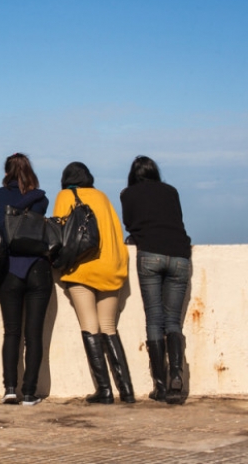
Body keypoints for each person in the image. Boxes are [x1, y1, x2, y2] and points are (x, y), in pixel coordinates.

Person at [53, 162, 134, 404]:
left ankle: (105, 390)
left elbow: (59, 233)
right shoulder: (103, 196)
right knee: (109, 326)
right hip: (112, 267)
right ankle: (127, 391)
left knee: (90, 326)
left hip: (82, 269)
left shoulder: (66, 195)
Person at [121, 156, 191, 405]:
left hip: (150, 253)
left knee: (154, 319)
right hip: (181, 254)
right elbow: (177, 220)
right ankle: (176, 378)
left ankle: (160, 386)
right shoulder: (171, 191)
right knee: (173, 320)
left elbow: (130, 224)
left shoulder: (128, 194)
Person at [0, 153, 52, 406]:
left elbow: (4, 227)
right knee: (34, 334)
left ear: (7, 172)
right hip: (38, 268)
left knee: (11, 332)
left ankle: (10, 389)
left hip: (10, 269)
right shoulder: (41, 198)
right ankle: (29, 393)